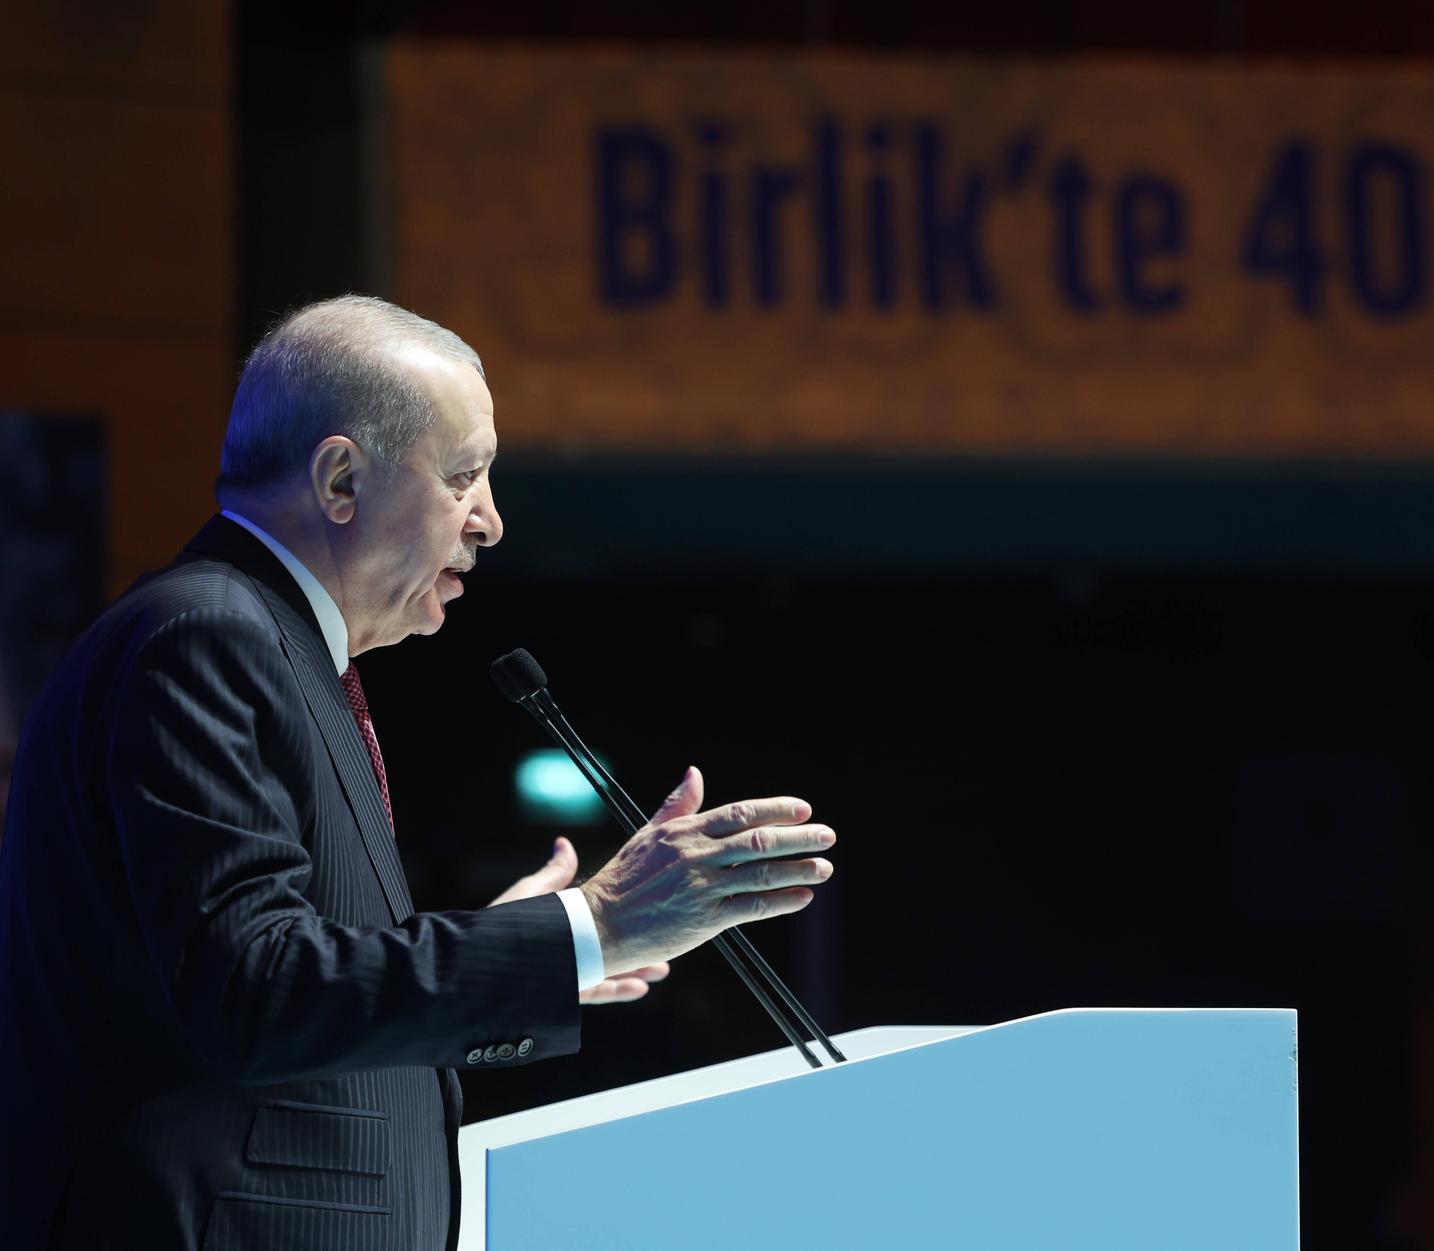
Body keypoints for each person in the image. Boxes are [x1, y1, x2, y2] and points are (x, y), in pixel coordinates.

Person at [0, 295, 836, 1250]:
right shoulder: (206, 638)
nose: (493, 522)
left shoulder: (268, 648)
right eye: (464, 476)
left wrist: (514, 950)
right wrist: (590, 927)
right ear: (341, 479)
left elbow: (284, 991)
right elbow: (255, 991)